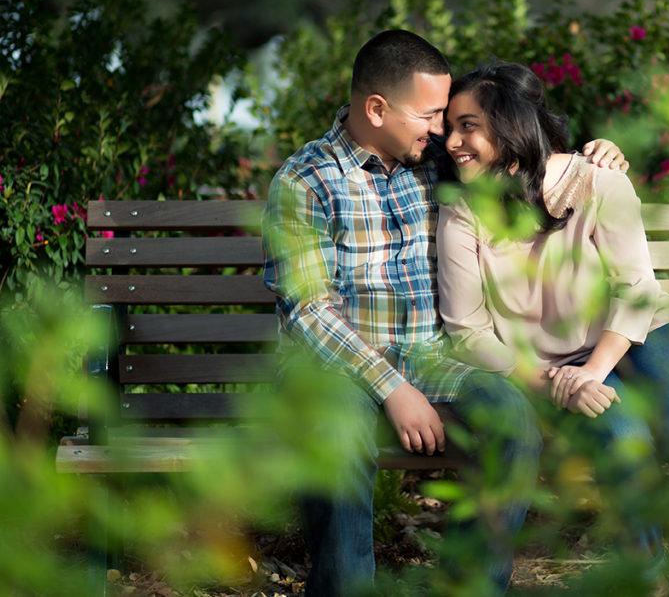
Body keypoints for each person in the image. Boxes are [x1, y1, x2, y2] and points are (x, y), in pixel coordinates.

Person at [261, 30, 628, 596]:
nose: (442, 128)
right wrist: (392, 388)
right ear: (376, 108)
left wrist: (594, 153)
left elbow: (519, 153)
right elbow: (309, 312)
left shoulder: (437, 159)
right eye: (430, 113)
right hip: (330, 367)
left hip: (432, 357)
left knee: (510, 416)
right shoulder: (304, 182)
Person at [436, 61, 669, 581]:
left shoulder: (600, 183)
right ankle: (651, 583)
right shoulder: (461, 209)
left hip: (642, 335)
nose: (451, 141)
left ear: (512, 124)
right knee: (622, 441)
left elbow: (637, 291)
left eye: (468, 125)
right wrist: (556, 382)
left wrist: (594, 372)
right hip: (553, 365)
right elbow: (467, 330)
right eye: (448, 127)